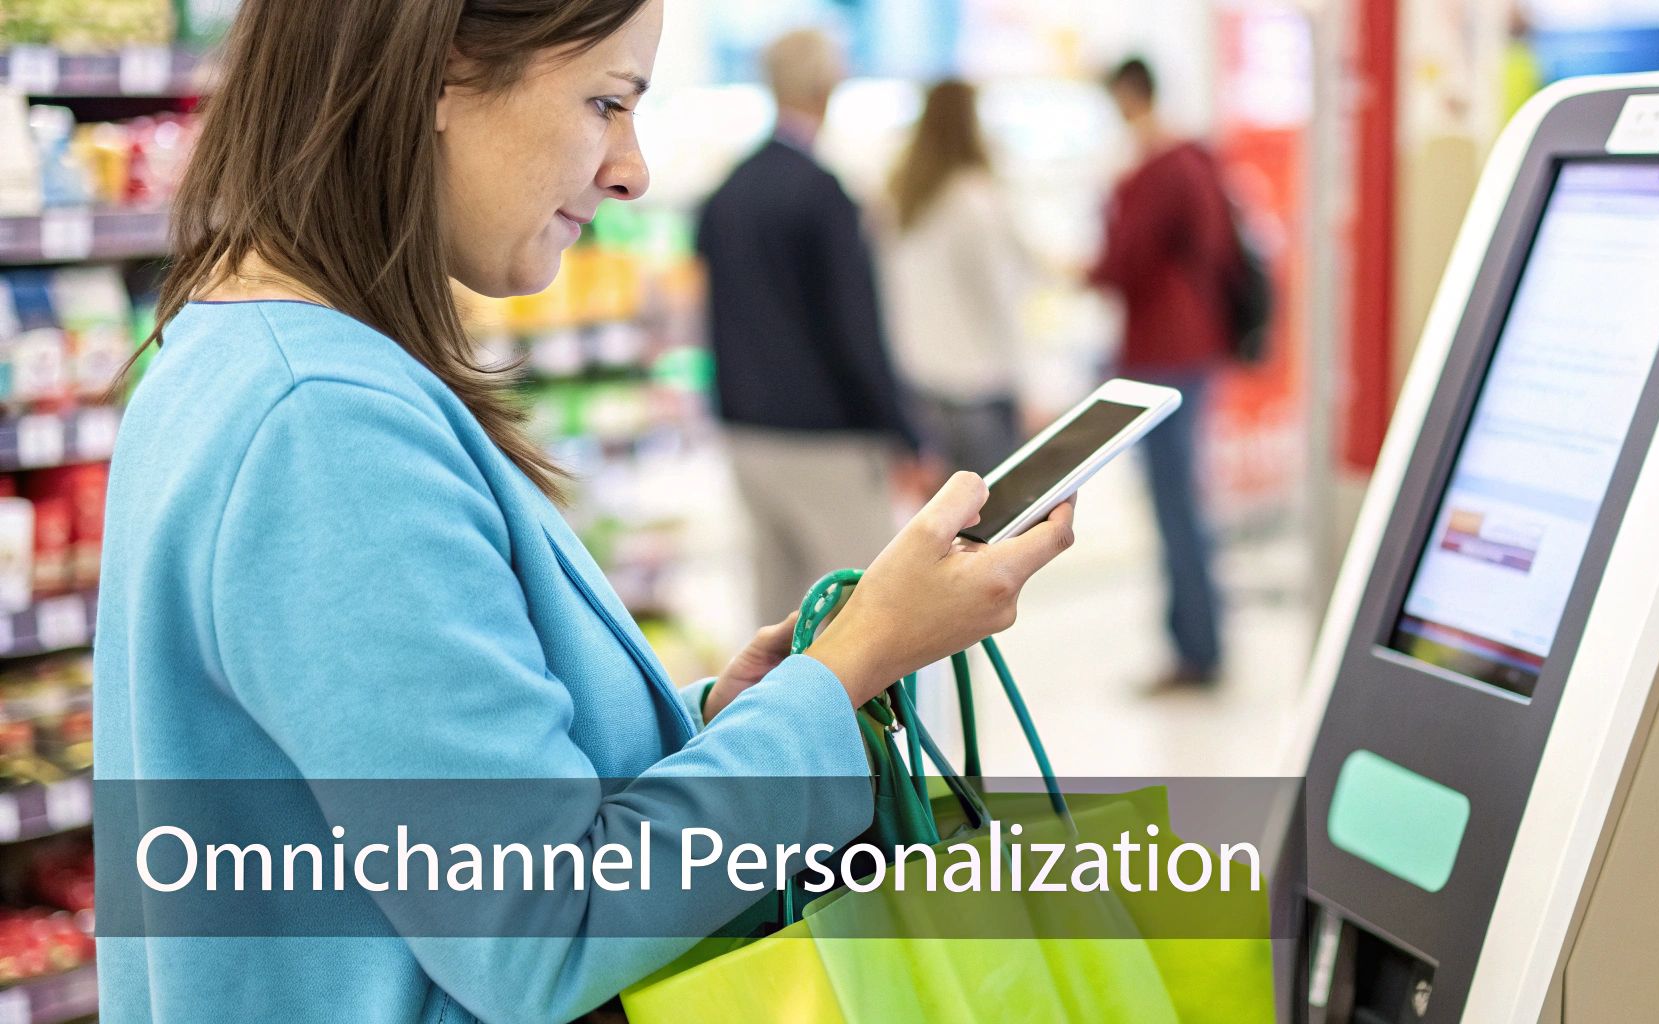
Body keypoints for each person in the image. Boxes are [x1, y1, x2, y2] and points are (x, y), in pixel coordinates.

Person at [93, 2, 1076, 1020]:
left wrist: (708, 725)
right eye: (605, 102)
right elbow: (538, 928)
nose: (631, 169)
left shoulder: (244, 355)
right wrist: (849, 670)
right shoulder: (323, 426)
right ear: (440, 69)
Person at [696, 28, 924, 625]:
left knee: (776, 621)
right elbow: (855, 330)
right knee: (868, 619)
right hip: (828, 441)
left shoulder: (727, 192)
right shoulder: (824, 195)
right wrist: (905, 432)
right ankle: (860, 727)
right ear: (826, 87)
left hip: (747, 432)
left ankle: (772, 720)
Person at [1090, 57, 1245, 692]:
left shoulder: (1153, 169)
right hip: (1195, 347)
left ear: (1129, 95)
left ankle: (1195, 651)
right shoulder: (1197, 159)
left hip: (1159, 353)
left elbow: (1122, 261)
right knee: (1186, 501)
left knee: (1175, 504)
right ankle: (1200, 642)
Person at [880, 78, 1030, 477]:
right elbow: (997, 296)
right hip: (979, 383)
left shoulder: (899, 199)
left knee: (945, 526)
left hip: (920, 378)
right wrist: (1030, 379)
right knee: (994, 524)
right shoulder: (973, 197)